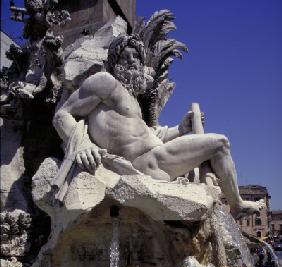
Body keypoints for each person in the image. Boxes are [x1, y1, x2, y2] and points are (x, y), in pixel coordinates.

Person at [53, 34, 264, 219]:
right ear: (113, 61)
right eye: (125, 55)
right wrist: (80, 144)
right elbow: (62, 114)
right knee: (220, 143)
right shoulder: (104, 81)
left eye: (136, 56)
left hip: (156, 158)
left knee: (218, 145)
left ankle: (235, 204)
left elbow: (149, 134)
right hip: (146, 163)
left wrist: (180, 129)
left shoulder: (131, 100)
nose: (131, 61)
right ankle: (237, 205)